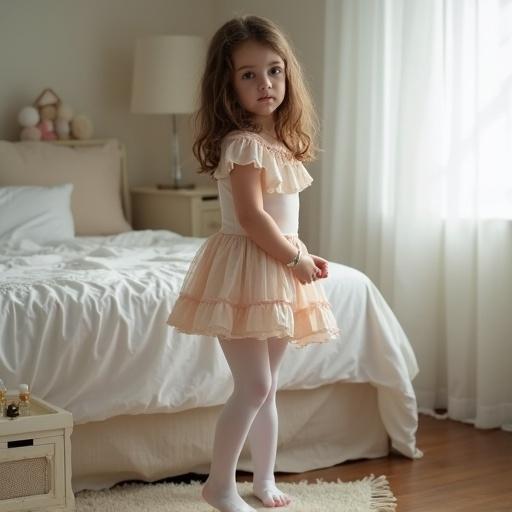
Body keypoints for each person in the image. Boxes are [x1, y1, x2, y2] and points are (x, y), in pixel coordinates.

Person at [167, 15, 341, 512]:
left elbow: (281, 221)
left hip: (277, 268)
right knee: (256, 385)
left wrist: (302, 255)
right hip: (246, 267)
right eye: (248, 75)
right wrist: (294, 256)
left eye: (274, 71)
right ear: (227, 85)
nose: (265, 84)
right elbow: (250, 216)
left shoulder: (281, 144)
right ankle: (219, 486)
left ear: (287, 76)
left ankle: (263, 479)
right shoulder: (242, 144)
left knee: (268, 390)